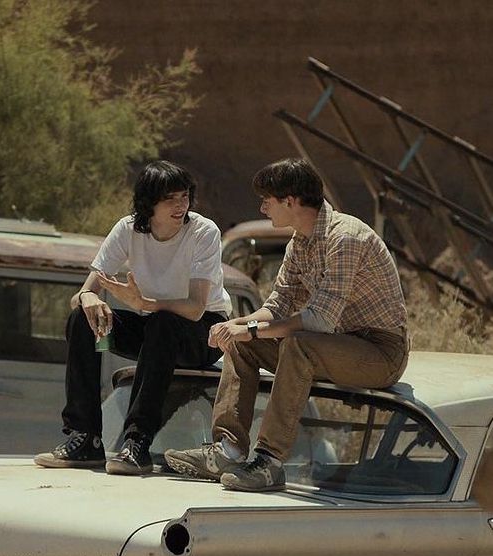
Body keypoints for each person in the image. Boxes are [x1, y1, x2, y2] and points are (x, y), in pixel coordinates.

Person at [165, 158, 409, 492]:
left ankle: (269, 461)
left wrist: (249, 329)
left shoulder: (346, 237)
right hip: (334, 346)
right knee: (241, 343)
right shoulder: (299, 243)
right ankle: (228, 450)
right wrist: (237, 325)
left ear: (290, 201)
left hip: (380, 352)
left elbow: (319, 320)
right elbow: (278, 304)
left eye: (268, 200)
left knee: (298, 343)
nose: (263, 208)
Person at [34, 160, 231, 475]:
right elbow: (81, 295)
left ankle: (137, 443)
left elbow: (195, 308)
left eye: (185, 196)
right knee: (82, 321)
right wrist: (89, 299)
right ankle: (85, 438)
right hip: (155, 336)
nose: (181, 205)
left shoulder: (203, 231)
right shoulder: (127, 228)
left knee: (163, 322)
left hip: (202, 336)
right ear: (149, 202)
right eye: (170, 199)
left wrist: (145, 302)